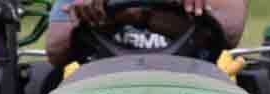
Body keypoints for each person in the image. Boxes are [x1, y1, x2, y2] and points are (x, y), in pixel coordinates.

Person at [45, 0, 247, 69]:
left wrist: (138, 15)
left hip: (191, 82)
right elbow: (56, 50)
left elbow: (230, 32)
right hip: (104, 83)